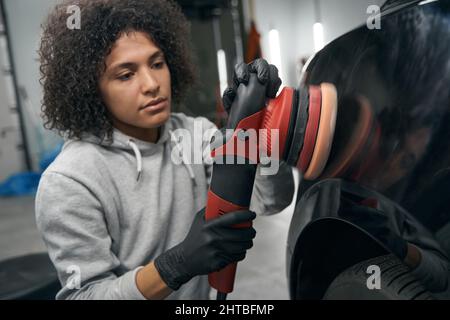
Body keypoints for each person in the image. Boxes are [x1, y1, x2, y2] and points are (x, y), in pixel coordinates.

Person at [35, 0, 295, 300]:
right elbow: (85, 296)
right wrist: (174, 266)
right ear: (91, 89)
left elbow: (270, 201)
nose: (152, 84)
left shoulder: (194, 135)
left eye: (157, 64)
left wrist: (259, 126)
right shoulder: (68, 182)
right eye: (126, 74)